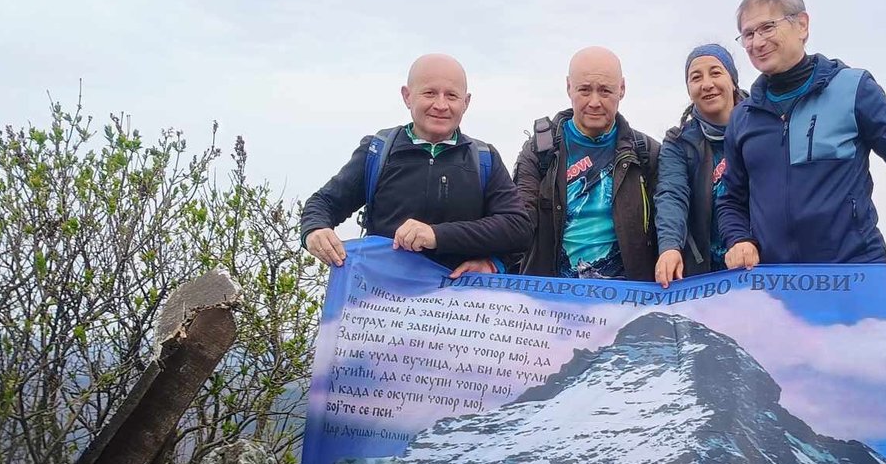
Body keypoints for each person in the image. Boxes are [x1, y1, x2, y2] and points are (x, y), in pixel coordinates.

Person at [715, 0, 886, 279]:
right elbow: (731, 198)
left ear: (802, 25)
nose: (757, 42)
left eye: (767, 27)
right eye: (749, 34)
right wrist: (739, 238)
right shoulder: (743, 117)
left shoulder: (853, 89)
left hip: (855, 277)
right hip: (775, 287)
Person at [300, 54, 530, 275]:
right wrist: (314, 230)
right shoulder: (377, 150)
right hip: (381, 295)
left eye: (451, 96)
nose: (441, 105)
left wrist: (440, 237)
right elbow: (324, 202)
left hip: (458, 298)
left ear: (466, 102)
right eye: (430, 93)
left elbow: (518, 227)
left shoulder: (484, 158)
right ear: (407, 96)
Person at [514, 47, 662, 281]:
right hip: (551, 296)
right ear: (568, 87)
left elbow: (669, 221)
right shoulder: (538, 151)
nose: (594, 102)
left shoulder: (647, 153)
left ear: (622, 89)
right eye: (584, 90)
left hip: (629, 296)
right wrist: (492, 261)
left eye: (605, 91)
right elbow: (519, 220)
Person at [653, 44, 748, 287]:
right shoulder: (678, 142)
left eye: (715, 73)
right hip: (704, 273)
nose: (707, 84)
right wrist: (670, 246)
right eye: (696, 78)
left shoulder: (761, 125)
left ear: (733, 81)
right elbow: (672, 194)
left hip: (756, 262)